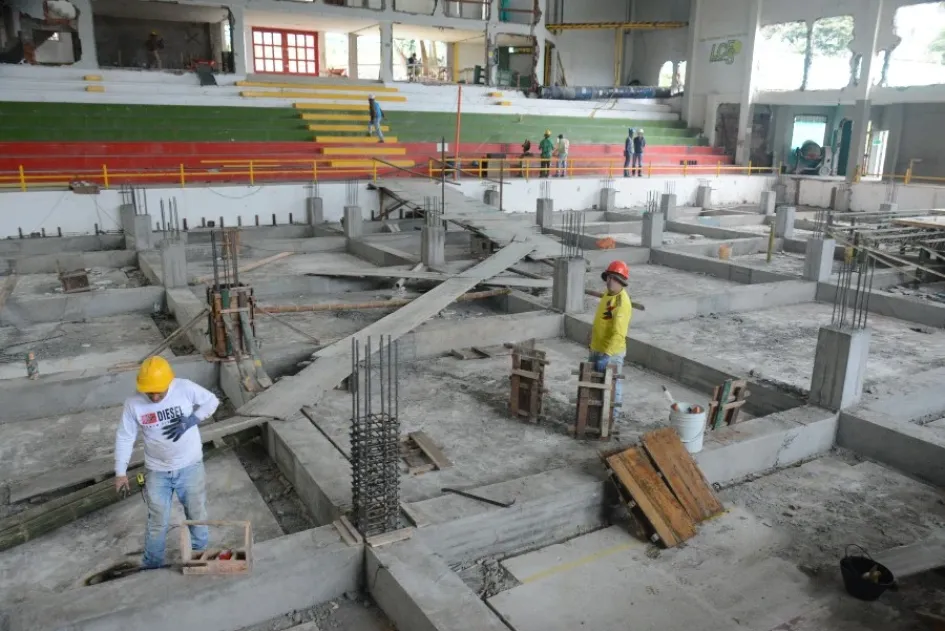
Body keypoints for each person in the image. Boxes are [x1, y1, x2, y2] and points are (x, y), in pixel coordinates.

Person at [114, 356, 220, 569]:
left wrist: (192, 420)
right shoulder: (133, 404)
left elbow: (212, 401)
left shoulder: (184, 388)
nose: (154, 397)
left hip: (190, 466)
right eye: (149, 392)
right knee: (157, 521)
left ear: (169, 383)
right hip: (157, 471)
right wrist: (120, 472)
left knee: (196, 514)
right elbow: (125, 437)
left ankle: (200, 557)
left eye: (159, 392)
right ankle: (152, 565)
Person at [589, 261, 632, 410]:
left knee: (613, 385)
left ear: (620, 280)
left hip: (611, 352)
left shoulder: (622, 304)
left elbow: (619, 333)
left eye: (611, 278)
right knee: (595, 383)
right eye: (607, 278)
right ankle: (597, 413)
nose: (608, 282)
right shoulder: (608, 294)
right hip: (597, 347)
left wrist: (607, 354)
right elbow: (603, 317)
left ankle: (614, 415)